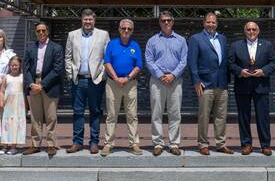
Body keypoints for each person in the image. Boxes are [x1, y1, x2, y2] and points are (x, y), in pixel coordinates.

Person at [65, 9, 110, 154]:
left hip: (95, 80)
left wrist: (103, 75)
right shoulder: (72, 35)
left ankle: (94, 143)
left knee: (95, 111)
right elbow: (68, 57)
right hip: (78, 80)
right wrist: (70, 74)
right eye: (85, 19)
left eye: (90, 19)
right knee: (78, 112)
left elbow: (107, 57)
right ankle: (77, 142)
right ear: (82, 20)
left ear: (94, 20)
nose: (88, 22)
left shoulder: (103, 35)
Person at [188, 12, 233, 155]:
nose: (211, 25)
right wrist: (196, 81)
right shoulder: (196, 39)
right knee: (204, 116)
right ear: (204, 23)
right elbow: (192, 62)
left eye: (213, 22)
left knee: (221, 116)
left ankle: (220, 144)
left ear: (217, 23)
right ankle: (203, 144)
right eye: (208, 22)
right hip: (205, 84)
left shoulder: (223, 39)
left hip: (222, 83)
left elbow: (225, 61)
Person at [229, 21, 275, 156]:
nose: (251, 32)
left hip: (261, 85)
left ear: (258, 31)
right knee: (243, 117)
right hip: (242, 85)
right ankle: (246, 144)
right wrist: (239, 71)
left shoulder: (267, 45)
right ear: (245, 31)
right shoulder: (236, 45)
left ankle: (265, 145)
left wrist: (263, 71)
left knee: (263, 117)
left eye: (253, 29)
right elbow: (230, 63)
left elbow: (273, 63)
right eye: (248, 29)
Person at [145, 11, 188, 156]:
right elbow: (149, 60)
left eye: (169, 20)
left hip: (175, 81)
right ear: (160, 22)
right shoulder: (152, 40)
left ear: (173, 21)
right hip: (157, 81)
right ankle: (158, 143)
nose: (166, 22)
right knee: (156, 113)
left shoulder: (181, 40)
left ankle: (174, 143)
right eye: (163, 20)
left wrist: (173, 75)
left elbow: (183, 61)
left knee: (175, 113)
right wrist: (162, 75)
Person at [101, 19, 143, 156]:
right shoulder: (112, 44)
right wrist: (116, 78)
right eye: (124, 28)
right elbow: (107, 62)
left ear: (132, 31)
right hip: (113, 84)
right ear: (119, 29)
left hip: (130, 84)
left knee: (132, 115)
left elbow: (139, 65)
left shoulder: (135, 45)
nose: (126, 31)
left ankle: (134, 144)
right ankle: (108, 144)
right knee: (112, 115)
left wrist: (127, 78)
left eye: (129, 29)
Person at [22, 22, 64, 156]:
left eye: (43, 30)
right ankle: (35, 144)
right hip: (33, 85)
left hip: (50, 85)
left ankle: (51, 144)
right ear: (36, 32)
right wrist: (31, 84)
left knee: (51, 117)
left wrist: (42, 84)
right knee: (35, 117)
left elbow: (58, 69)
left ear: (47, 32)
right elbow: (26, 68)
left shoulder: (56, 48)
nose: (41, 33)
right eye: (38, 31)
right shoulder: (30, 48)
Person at [0, 56, 27, 155]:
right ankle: (4, 145)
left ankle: (13, 147)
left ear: (19, 66)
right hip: (8, 104)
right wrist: (1, 102)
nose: (14, 67)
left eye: (16, 65)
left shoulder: (23, 77)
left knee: (16, 124)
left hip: (19, 104)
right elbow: (2, 91)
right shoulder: (6, 77)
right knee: (6, 124)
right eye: (12, 65)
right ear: (9, 66)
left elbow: (25, 91)